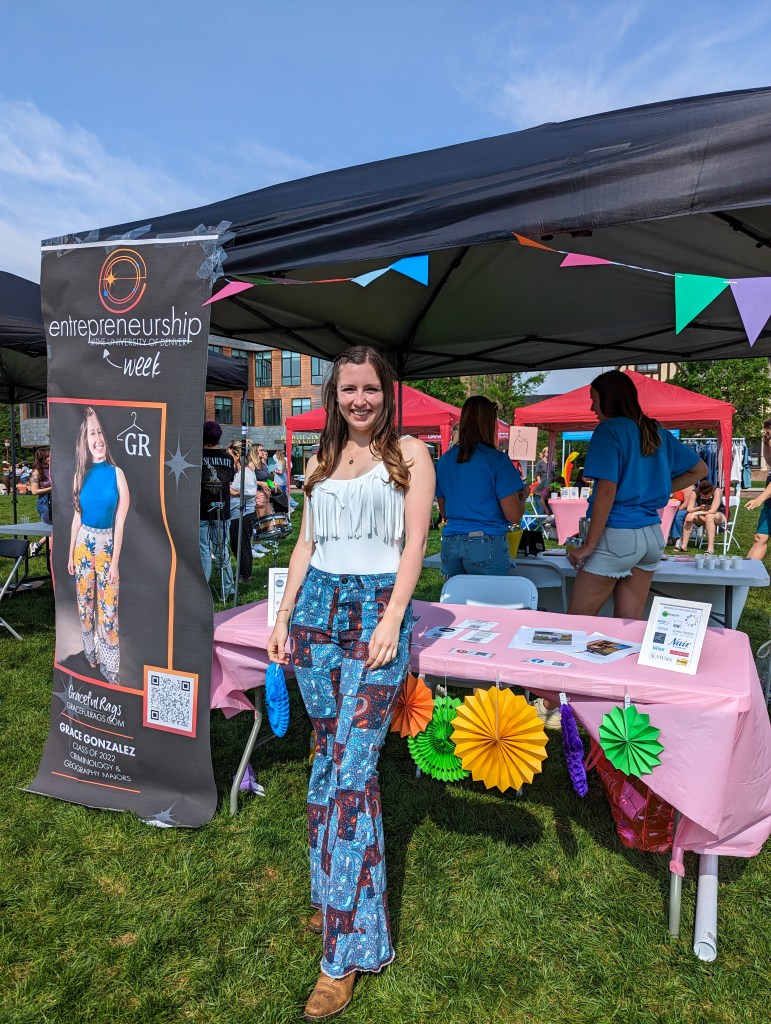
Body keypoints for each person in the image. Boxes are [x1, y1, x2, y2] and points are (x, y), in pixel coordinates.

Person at [267, 345, 434, 1019]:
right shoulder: (318, 461)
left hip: (373, 618)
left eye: (368, 389)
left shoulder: (412, 455)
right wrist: (281, 616)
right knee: (326, 761)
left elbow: (415, 545)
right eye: (346, 390)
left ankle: (347, 952)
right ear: (333, 396)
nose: (358, 400)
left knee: (354, 773)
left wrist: (392, 617)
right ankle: (328, 894)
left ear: (387, 392)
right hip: (313, 618)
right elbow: (306, 544)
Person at [567, 371, 705, 619]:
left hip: (618, 534)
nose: (591, 407)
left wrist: (588, 545)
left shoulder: (608, 430)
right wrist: (659, 486)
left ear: (608, 399)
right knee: (629, 625)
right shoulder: (654, 429)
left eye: (594, 399)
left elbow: (607, 493)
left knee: (575, 623)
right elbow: (700, 469)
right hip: (652, 535)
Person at [67, 408, 130, 685]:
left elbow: (120, 523)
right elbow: (76, 517)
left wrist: (115, 561)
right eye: (92, 432)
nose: (97, 437)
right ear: (85, 440)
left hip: (106, 546)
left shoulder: (118, 474)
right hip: (83, 545)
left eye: (100, 431)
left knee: (108, 606)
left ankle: (110, 664)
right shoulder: (80, 476)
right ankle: (91, 652)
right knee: (85, 603)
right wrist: (70, 552)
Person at [435, 396, 526, 576]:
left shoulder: (445, 460)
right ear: (491, 423)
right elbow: (514, 515)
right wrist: (522, 495)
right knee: (489, 602)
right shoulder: (497, 460)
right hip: (486, 541)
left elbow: (444, 511)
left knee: (456, 603)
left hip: (451, 542)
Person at [199, 421, 236, 599]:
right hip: (222, 511)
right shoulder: (228, 458)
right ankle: (228, 589)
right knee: (222, 551)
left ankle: (203, 590)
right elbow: (230, 479)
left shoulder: (197, 456)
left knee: (204, 550)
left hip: (202, 511)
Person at [228, 445, 258, 580]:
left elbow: (251, 492)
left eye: (231, 455)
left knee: (242, 544)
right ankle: (242, 571)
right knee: (235, 544)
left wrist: (233, 492)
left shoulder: (245, 473)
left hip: (244, 513)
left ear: (237, 456)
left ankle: (246, 574)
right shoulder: (240, 472)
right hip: (237, 513)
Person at [746, 418, 771, 560]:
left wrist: (760, 498)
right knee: (760, 538)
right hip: (769, 503)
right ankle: (744, 575)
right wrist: (766, 443)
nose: (766, 431)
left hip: (766, 499)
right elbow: (770, 462)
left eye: (768, 427)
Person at [680, 480, 726, 553]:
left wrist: (695, 513)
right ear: (700, 493)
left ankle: (710, 548)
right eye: (703, 498)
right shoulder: (695, 492)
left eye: (709, 497)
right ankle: (684, 545)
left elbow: (713, 510)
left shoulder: (717, 490)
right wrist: (699, 508)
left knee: (709, 516)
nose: (707, 499)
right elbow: (689, 509)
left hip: (719, 514)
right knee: (689, 516)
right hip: (702, 514)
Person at [669, 484, 695, 549]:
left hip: (687, 509)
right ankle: (666, 537)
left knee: (677, 516)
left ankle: (678, 538)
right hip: (671, 508)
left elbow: (686, 503)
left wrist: (674, 512)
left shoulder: (688, 486)